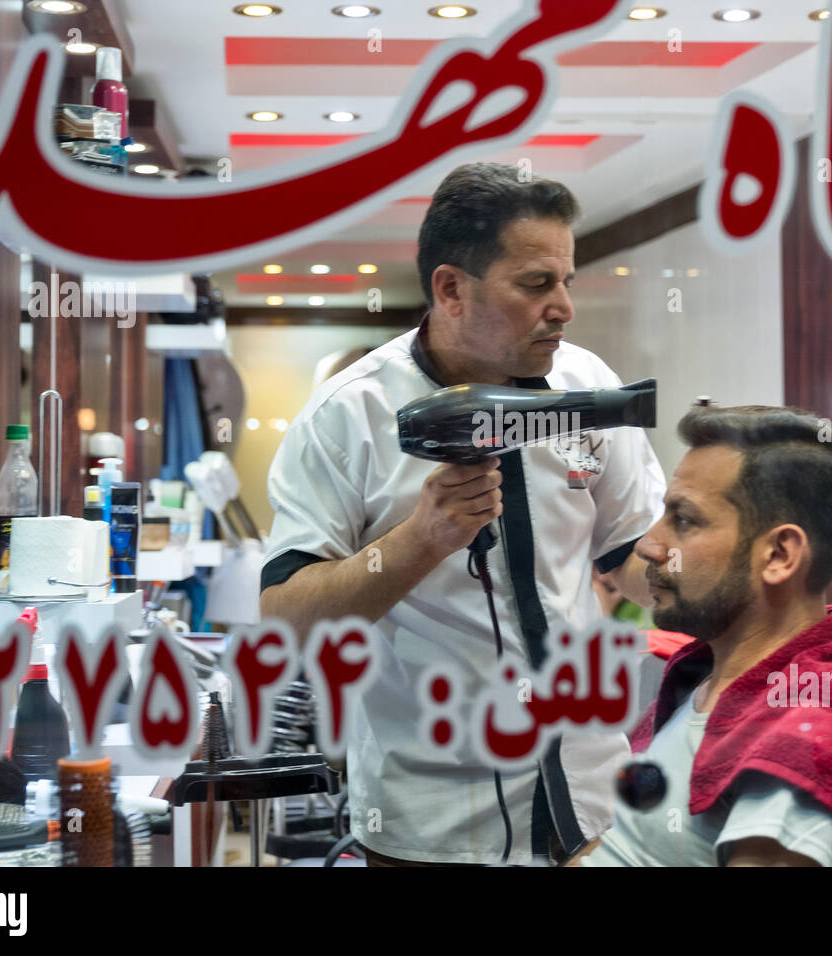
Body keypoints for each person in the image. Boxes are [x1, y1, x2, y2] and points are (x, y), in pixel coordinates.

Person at [259, 163, 666, 865]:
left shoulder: (587, 386)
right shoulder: (347, 417)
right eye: (537, 284)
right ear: (451, 288)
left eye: (567, 280)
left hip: (589, 798)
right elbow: (287, 619)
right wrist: (420, 541)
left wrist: (728, 578)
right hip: (428, 820)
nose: (564, 306)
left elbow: (631, 555)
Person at [577, 403, 832, 867]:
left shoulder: (805, 744)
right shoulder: (702, 684)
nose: (649, 544)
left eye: (683, 520)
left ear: (779, 555)